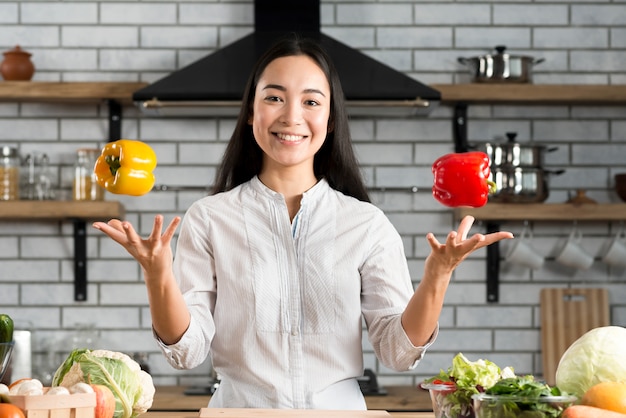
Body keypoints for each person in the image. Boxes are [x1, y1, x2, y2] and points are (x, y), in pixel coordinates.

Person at [93, 35, 513, 410]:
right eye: (274, 98)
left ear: (329, 121)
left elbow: (397, 352)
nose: (291, 117)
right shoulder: (210, 218)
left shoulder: (365, 223)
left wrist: (437, 276)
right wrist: (157, 275)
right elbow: (187, 350)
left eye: (311, 101)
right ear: (250, 113)